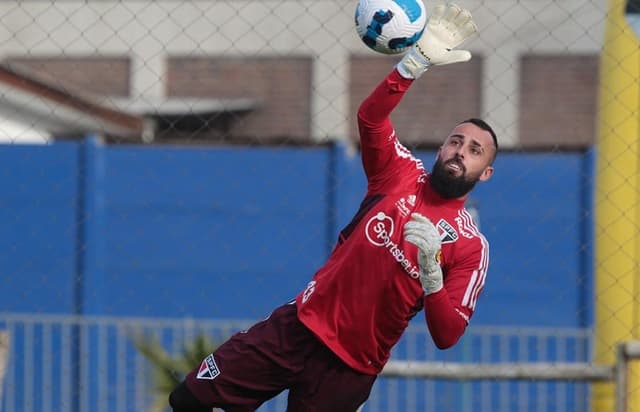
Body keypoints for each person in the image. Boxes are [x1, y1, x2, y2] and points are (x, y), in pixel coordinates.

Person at [169, 3, 497, 411]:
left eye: (474, 150)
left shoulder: (470, 246)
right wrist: (413, 64)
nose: (459, 151)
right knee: (189, 399)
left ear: (486, 172)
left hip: (349, 370)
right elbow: (371, 120)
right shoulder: (400, 173)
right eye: (455, 141)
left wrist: (432, 277)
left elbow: (448, 335)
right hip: (298, 328)